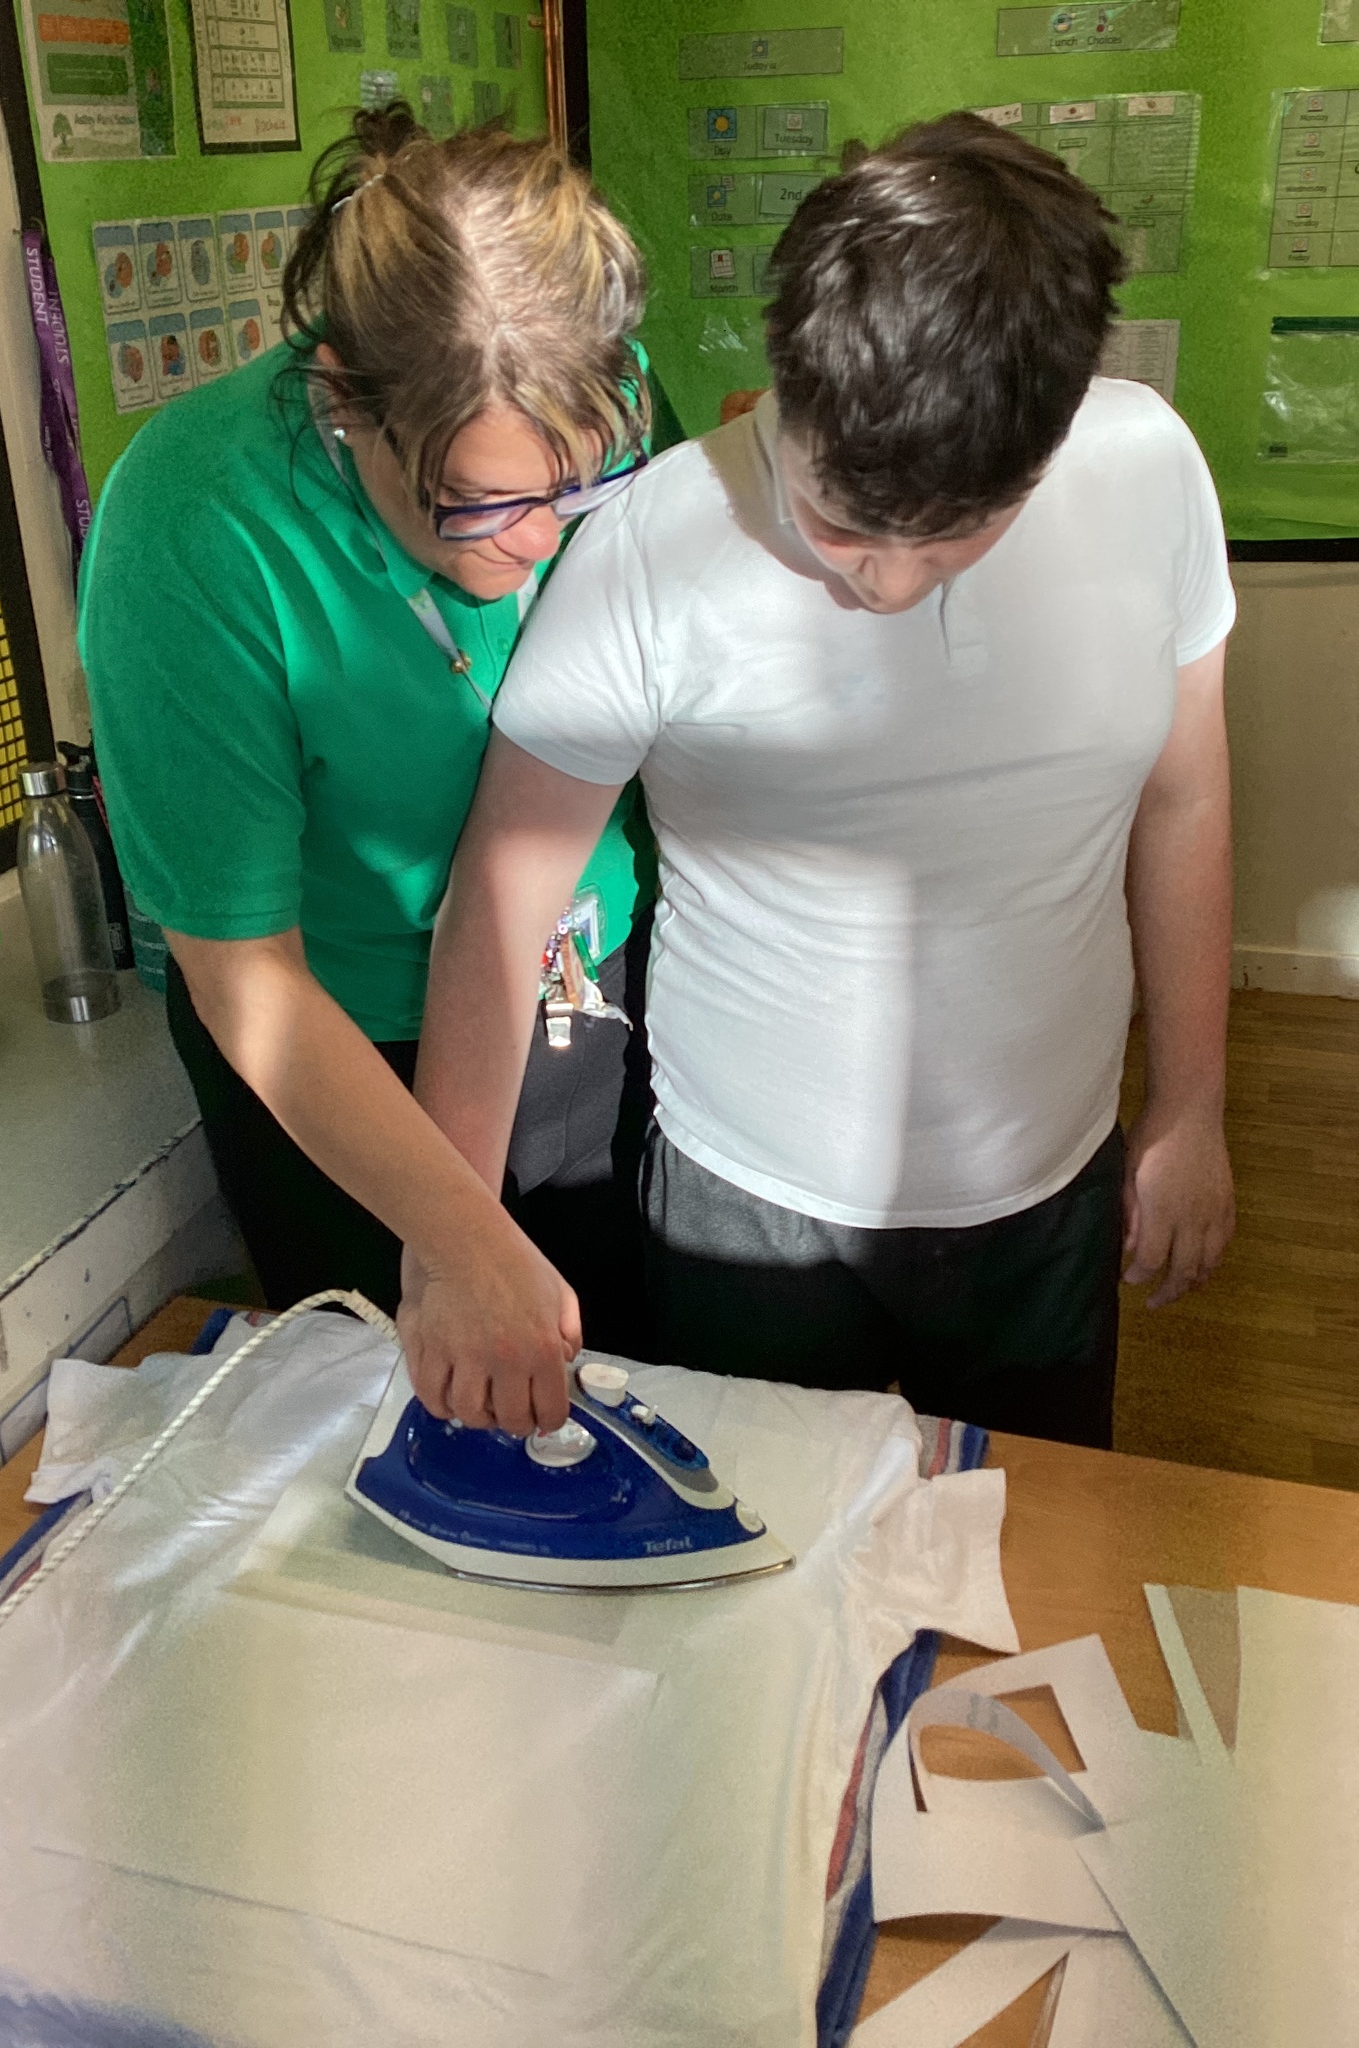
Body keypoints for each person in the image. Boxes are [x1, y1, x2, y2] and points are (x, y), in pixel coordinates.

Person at [411, 113, 1237, 1449]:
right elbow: (504, 904)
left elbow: (1185, 798)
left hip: (1046, 1186)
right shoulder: (651, 545)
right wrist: (453, 1238)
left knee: (1019, 1538)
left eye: (956, 539)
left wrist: (1191, 1106)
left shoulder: (1148, 469)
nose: (888, 585)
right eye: (841, 523)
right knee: (753, 1550)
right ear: (787, 381)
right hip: (749, 1207)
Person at [78, 107, 664, 1415]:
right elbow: (247, 978)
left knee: (605, 1357)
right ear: (345, 397)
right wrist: (458, 1240)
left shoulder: (597, 386)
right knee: (400, 1392)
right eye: (480, 501)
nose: (541, 542)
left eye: (579, 486)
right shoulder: (196, 528)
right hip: (342, 1045)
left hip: (576, 974)